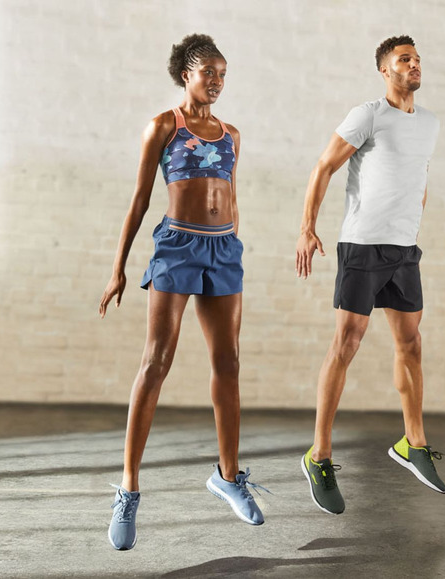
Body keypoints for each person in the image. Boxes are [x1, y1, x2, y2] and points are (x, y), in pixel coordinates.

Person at [99, 33, 266, 551]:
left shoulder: (232, 135)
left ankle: (228, 476)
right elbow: (139, 200)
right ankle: (128, 488)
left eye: (223, 73)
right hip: (177, 247)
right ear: (185, 73)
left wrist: (232, 242)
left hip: (224, 249)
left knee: (228, 362)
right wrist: (118, 268)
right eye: (207, 71)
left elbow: (229, 194)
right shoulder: (163, 126)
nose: (216, 80)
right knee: (156, 362)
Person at [295, 35, 445, 515]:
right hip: (362, 245)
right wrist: (307, 229)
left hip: (403, 251)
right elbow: (324, 166)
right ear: (385, 70)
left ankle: (413, 444)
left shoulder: (430, 123)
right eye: (404, 59)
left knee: (411, 344)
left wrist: (412, 224)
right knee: (346, 343)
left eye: (417, 59)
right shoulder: (368, 115)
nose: (414, 65)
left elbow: (418, 179)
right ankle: (319, 455)